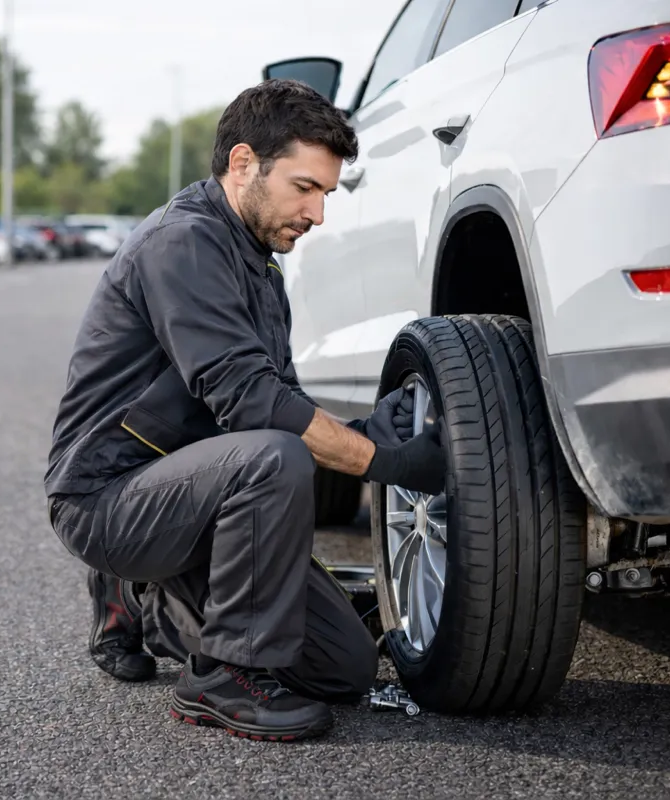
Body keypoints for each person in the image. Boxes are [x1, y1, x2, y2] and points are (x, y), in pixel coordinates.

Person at [43, 78, 446, 742]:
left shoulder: (260, 269)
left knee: (342, 669)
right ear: (241, 164)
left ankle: (155, 605)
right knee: (274, 456)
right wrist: (381, 461)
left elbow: (278, 397)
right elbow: (251, 403)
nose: (318, 215)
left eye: (325, 193)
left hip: (190, 496)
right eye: (304, 187)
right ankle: (220, 677)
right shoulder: (185, 244)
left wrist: (357, 433)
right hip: (105, 498)